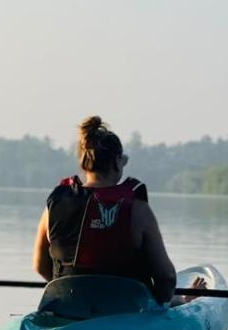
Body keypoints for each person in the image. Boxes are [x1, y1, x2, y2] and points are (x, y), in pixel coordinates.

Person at [33, 116, 201, 304]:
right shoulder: (138, 209)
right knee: (171, 299)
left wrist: (69, 290)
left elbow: (40, 266)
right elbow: (166, 278)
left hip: (69, 308)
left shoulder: (55, 204)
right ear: (117, 162)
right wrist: (168, 304)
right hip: (127, 311)